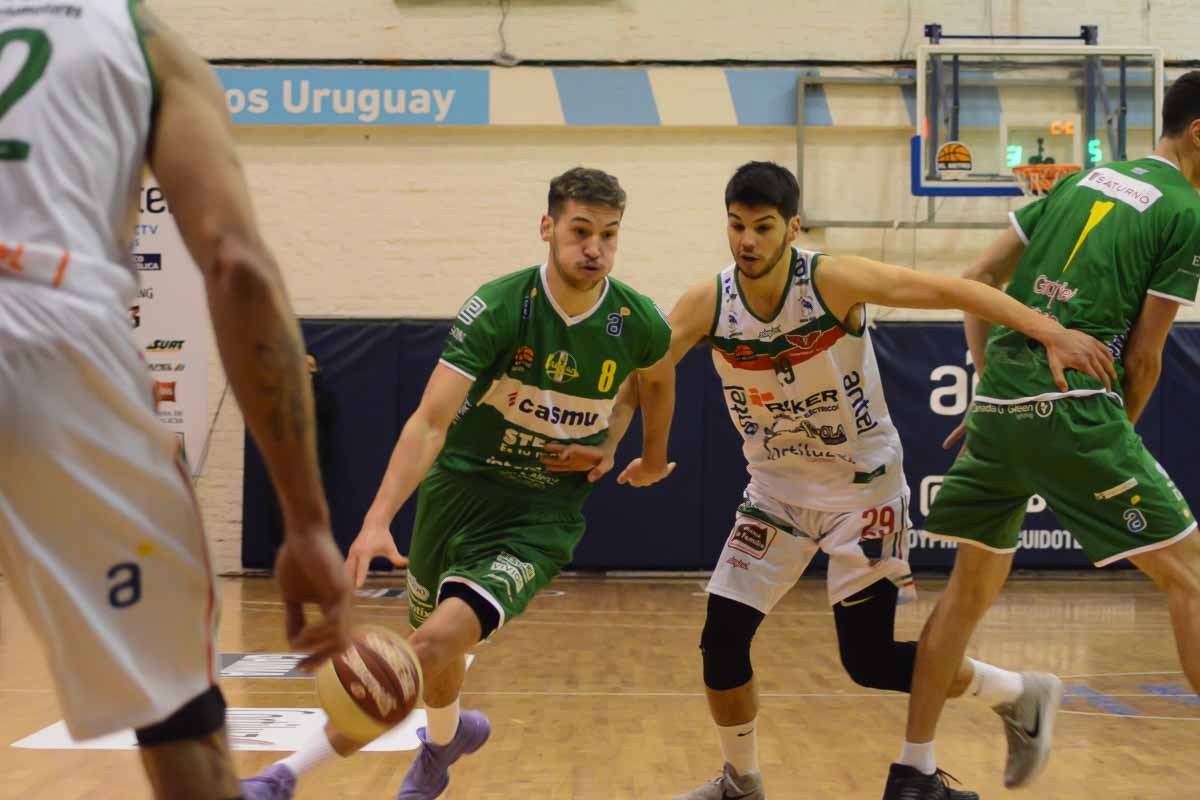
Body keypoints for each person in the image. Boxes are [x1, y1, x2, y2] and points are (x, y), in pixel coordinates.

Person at [594, 161, 1116, 800]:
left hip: (862, 492)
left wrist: (1052, 331)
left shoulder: (832, 281)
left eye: (763, 227)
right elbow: (649, 369)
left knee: (868, 662)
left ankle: (1017, 692)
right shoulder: (710, 302)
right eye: (736, 226)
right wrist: (615, 438)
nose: (747, 241)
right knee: (721, 640)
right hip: (774, 495)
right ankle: (740, 782)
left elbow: (956, 291)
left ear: (793, 228)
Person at [0, 3, 351, 799]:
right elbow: (236, 265)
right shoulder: (146, 45)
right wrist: (304, 522)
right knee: (178, 719)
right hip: (49, 340)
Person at [242, 166, 676, 800]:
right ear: (547, 228)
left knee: (419, 650)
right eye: (581, 231)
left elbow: (654, 378)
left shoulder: (637, 319)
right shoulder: (499, 307)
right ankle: (445, 741)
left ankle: (280, 777)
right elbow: (429, 422)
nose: (595, 248)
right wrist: (376, 519)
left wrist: (636, 451)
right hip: (456, 495)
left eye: (609, 235)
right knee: (437, 654)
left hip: (538, 515)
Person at [882, 71, 1200, 800]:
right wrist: (1111, 436)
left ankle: (913, 770)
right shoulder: (1186, 210)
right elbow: (1145, 359)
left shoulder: (1080, 179)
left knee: (965, 593)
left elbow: (977, 278)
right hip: (1074, 409)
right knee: (1190, 577)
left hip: (997, 411)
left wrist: (989, 384)